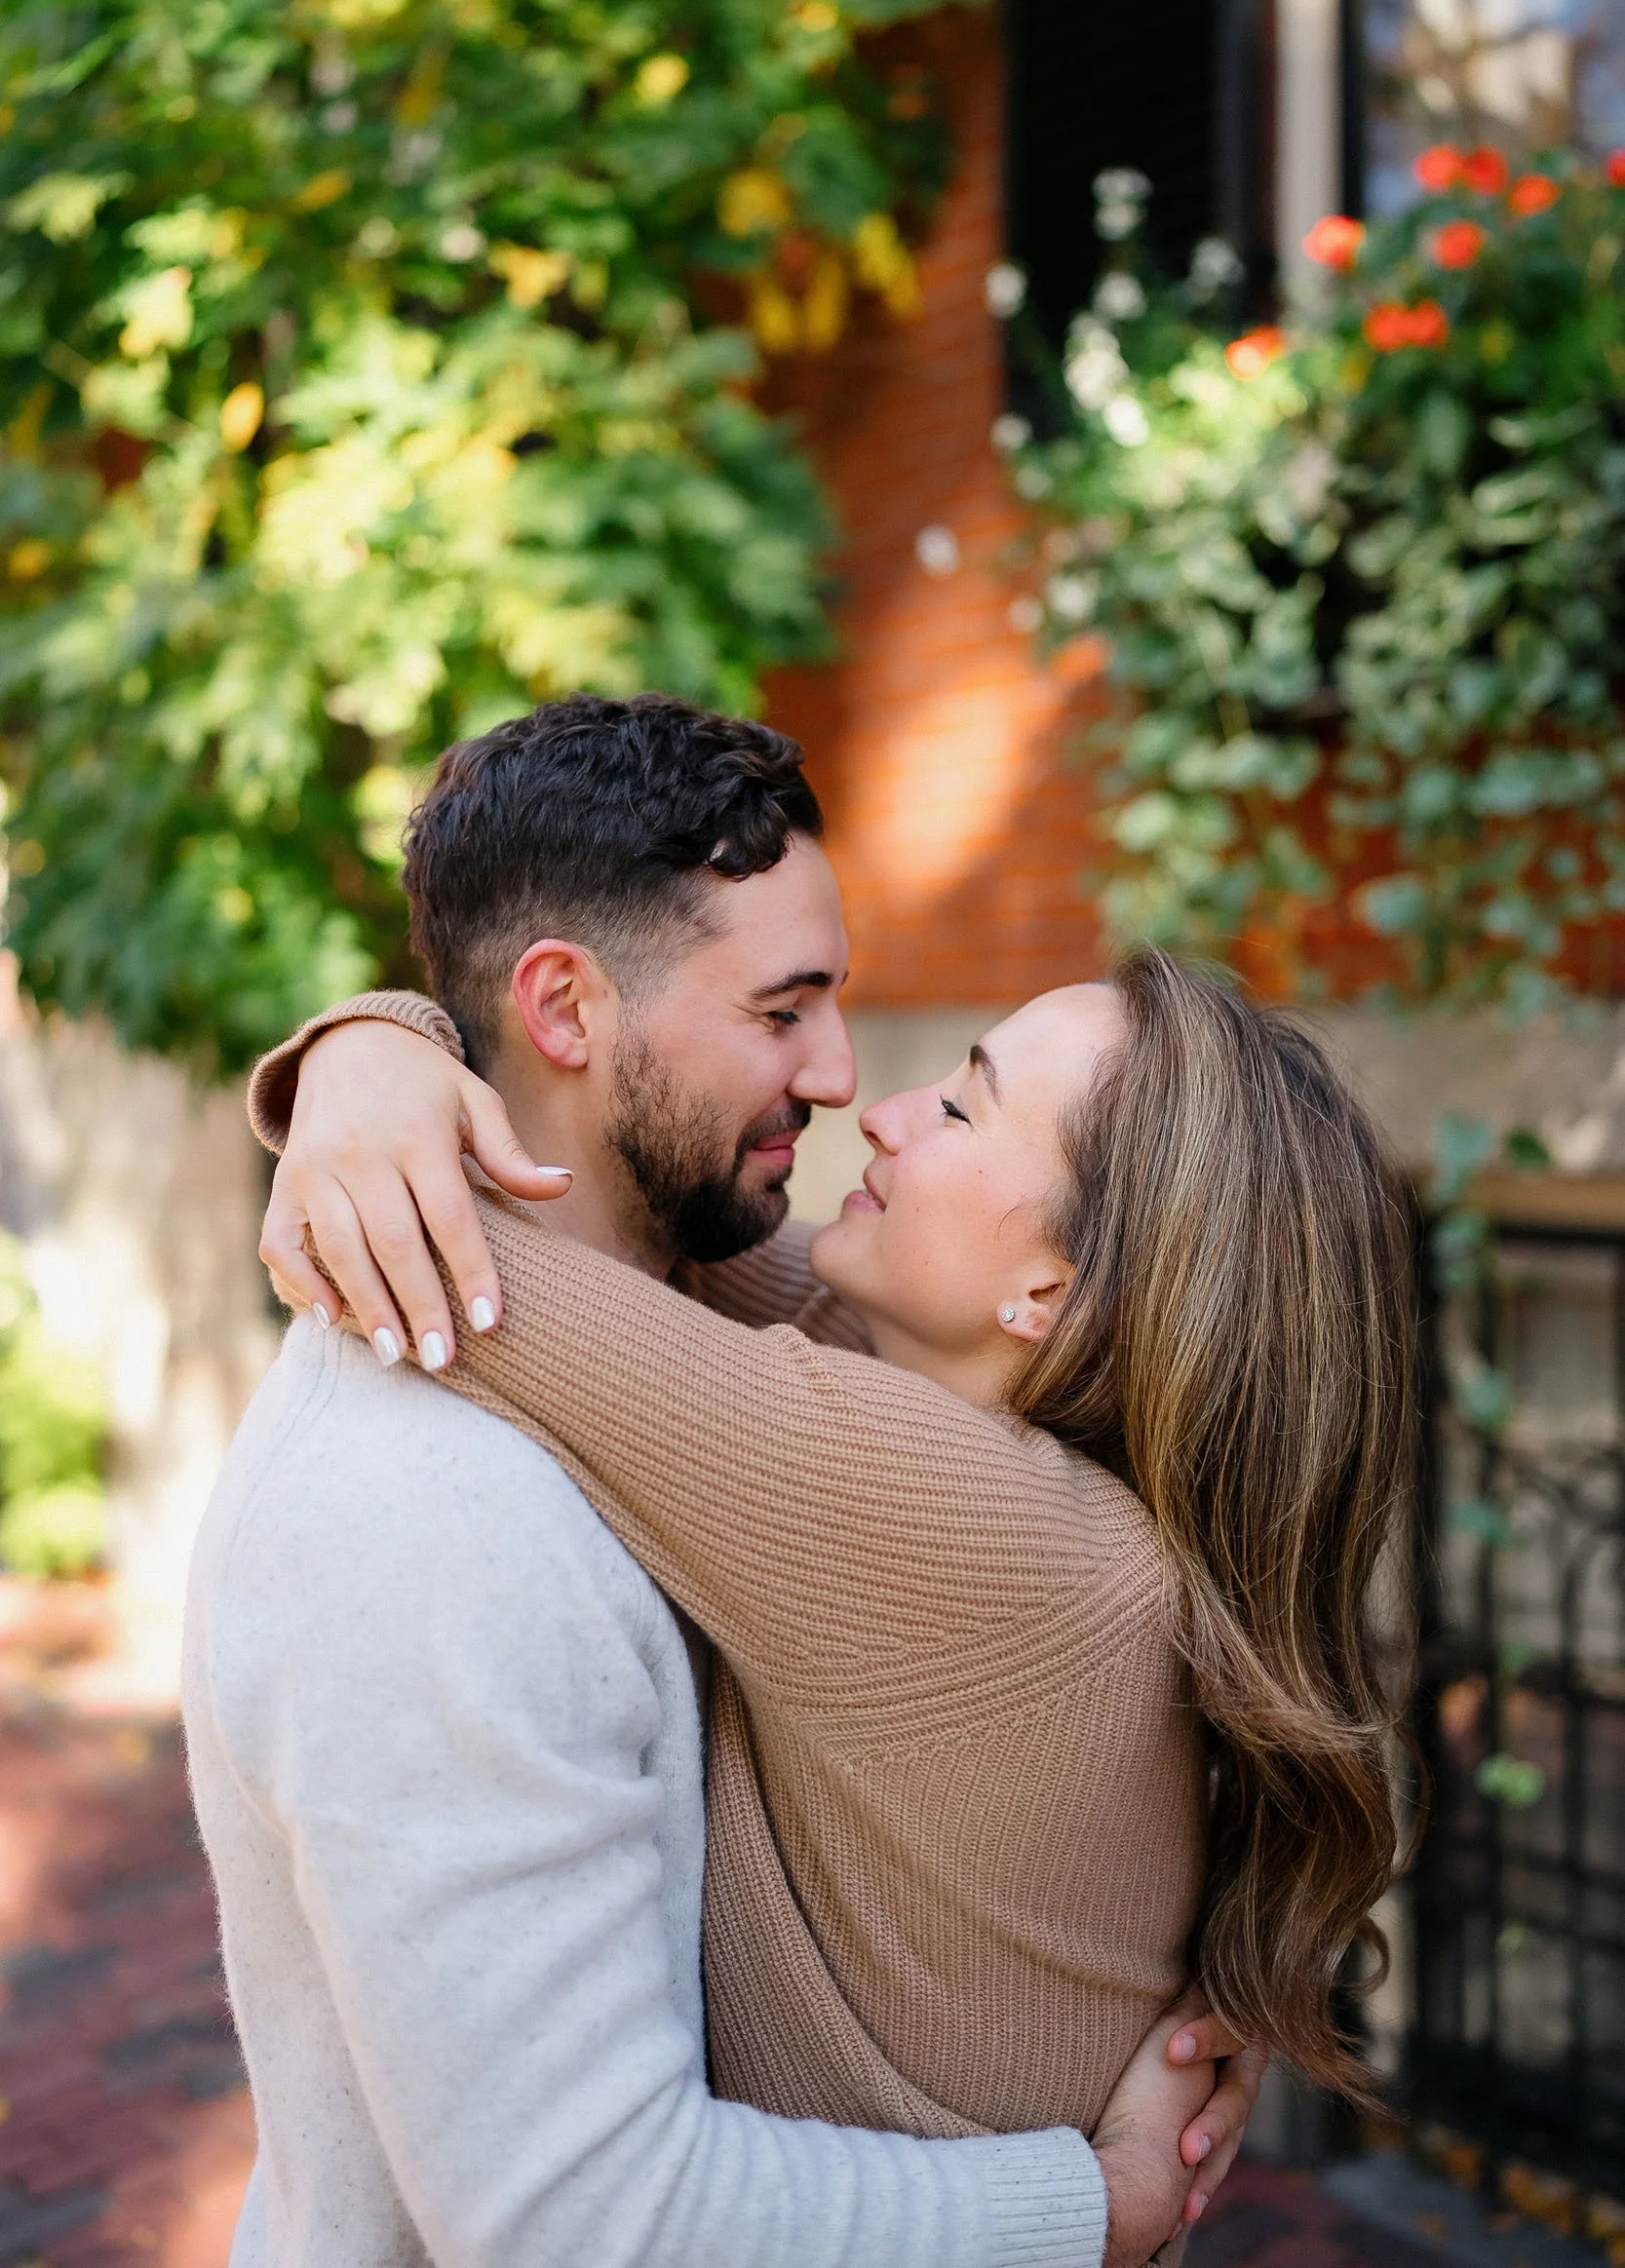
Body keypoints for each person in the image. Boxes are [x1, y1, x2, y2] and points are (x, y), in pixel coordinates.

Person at [190, 696, 1262, 2268]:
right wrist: (369, 1062)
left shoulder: (833, 1413)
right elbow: (586, 2221)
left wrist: (355, 1076)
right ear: (562, 1008)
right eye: (783, 1009)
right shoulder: (429, 1521)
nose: (842, 1079)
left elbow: (496, 1261)